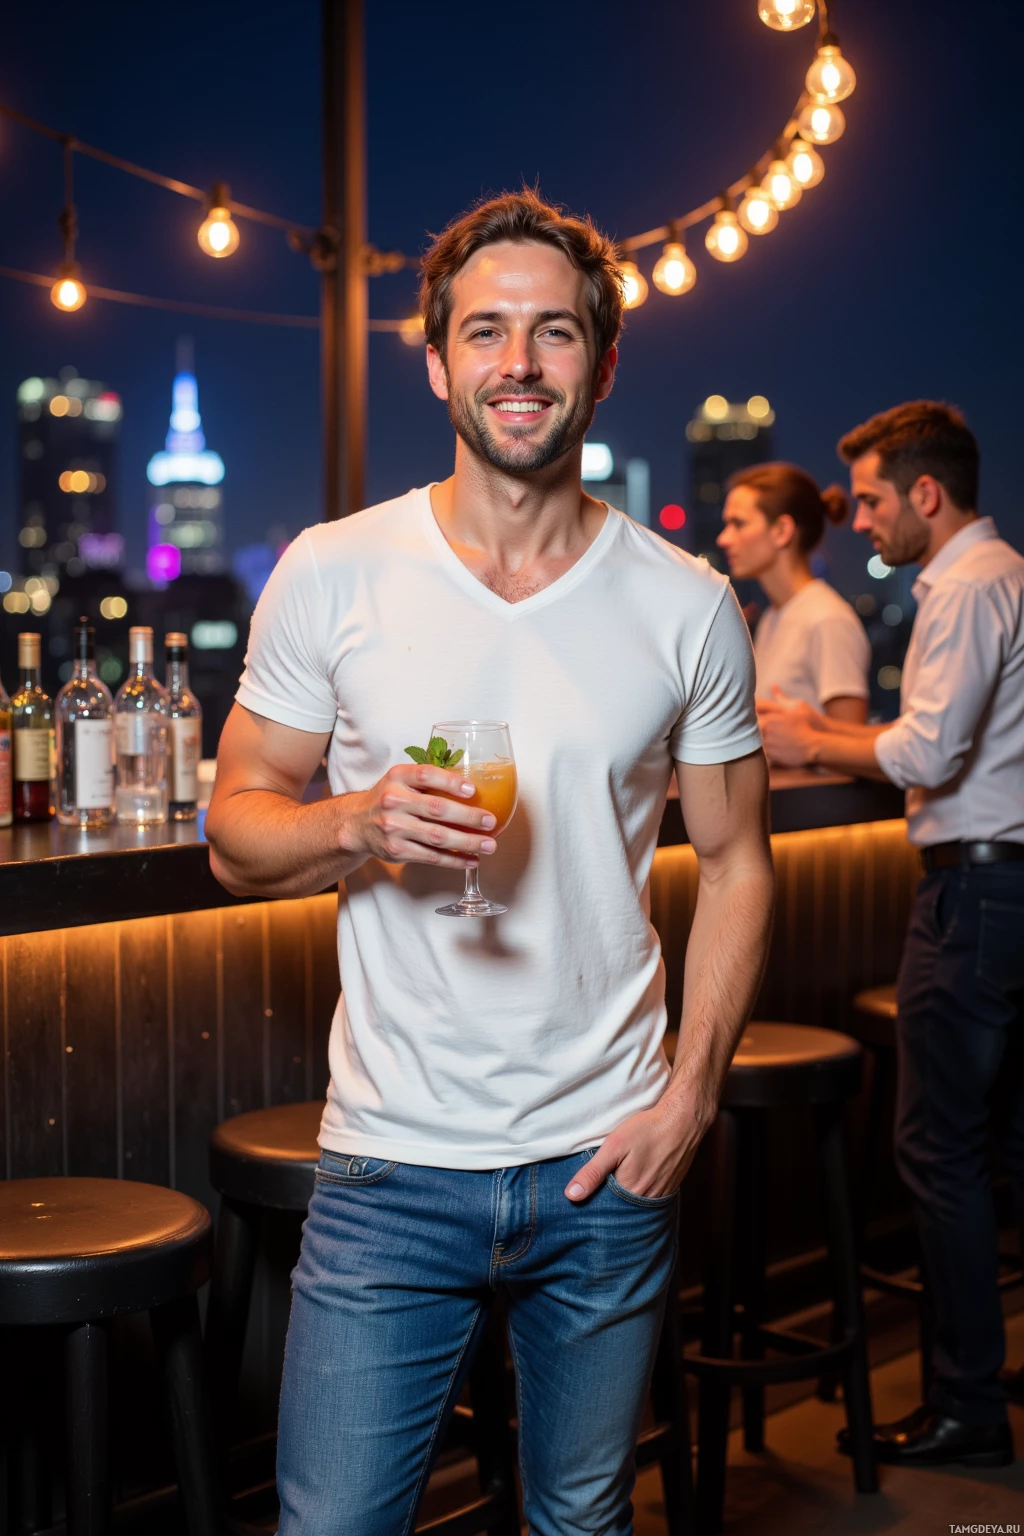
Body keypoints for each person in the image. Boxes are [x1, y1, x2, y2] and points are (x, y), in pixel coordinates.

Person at [205, 189, 775, 1535]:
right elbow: (235, 829)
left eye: (554, 332)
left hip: (606, 1160)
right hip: (391, 1166)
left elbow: (738, 863)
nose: (519, 362)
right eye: (485, 332)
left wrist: (690, 1097)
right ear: (436, 363)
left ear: (603, 363)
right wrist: (354, 824)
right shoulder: (334, 571)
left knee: (581, 1520)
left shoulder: (688, 603)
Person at [759, 400, 1024, 1469]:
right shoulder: (1006, 572)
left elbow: (925, 754)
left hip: (976, 893)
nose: (857, 518)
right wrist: (824, 731)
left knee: (935, 1151)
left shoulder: (961, 585)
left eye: (871, 500)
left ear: (925, 492)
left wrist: (812, 740)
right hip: (1006, 893)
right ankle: (985, 1381)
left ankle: (969, 1407)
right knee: (1003, 1148)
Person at [717, 462, 870, 721]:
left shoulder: (827, 620)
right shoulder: (773, 617)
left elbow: (851, 737)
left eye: (739, 524)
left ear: (782, 531)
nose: (724, 539)